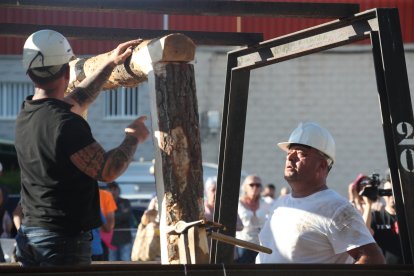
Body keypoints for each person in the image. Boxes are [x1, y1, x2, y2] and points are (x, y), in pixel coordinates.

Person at [14, 29, 149, 266]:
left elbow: (78, 98)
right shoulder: (67, 125)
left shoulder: (27, 113)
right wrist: (133, 138)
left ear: (29, 72)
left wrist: (109, 63)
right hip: (61, 242)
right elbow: (108, 170)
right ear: (67, 71)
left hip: (31, 237)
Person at [256, 122, 385, 264]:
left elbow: (373, 259)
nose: (290, 157)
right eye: (289, 152)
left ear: (322, 165)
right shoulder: (281, 202)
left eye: (301, 153)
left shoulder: (337, 209)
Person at [363, 177, 403, 264]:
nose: (392, 196)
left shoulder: (409, 216)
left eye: (396, 191)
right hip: (385, 270)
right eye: (388, 192)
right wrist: (368, 204)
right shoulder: (376, 217)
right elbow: (364, 233)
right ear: (382, 195)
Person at [236, 175, 271, 264]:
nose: (255, 187)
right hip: (242, 245)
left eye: (258, 185)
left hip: (261, 246)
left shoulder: (266, 203)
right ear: (245, 187)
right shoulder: (237, 203)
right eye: (252, 185)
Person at [107, 181, 133, 261]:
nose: (113, 191)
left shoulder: (125, 202)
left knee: (125, 260)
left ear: (119, 190)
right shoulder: (106, 203)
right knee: (112, 261)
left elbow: (126, 216)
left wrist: (113, 217)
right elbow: (105, 218)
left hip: (124, 238)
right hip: (111, 239)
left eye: (115, 189)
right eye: (110, 189)